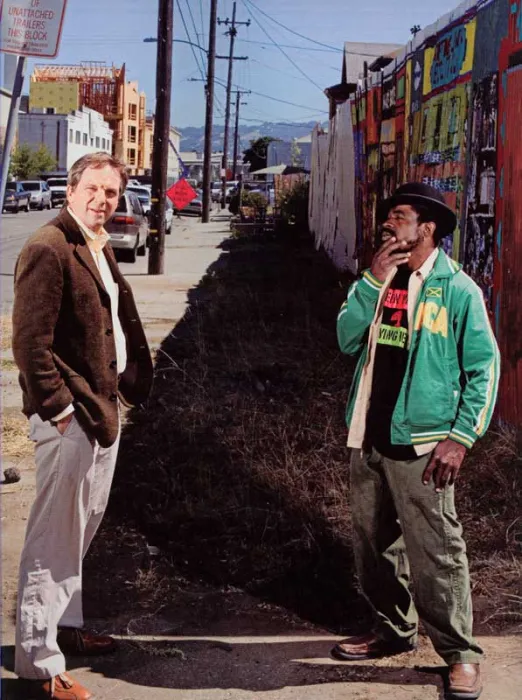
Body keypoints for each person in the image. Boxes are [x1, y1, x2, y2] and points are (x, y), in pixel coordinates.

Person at [334, 183, 499, 700]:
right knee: (372, 545)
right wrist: (371, 282)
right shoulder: (380, 280)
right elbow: (345, 337)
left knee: (437, 550)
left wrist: (461, 438)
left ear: (426, 227)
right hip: (370, 434)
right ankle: (394, 631)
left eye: (399, 217)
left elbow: (483, 368)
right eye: (389, 217)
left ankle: (461, 654)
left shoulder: (457, 289)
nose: (389, 225)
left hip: (425, 443)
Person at [12, 152, 153, 700]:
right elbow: (29, 344)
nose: (101, 200)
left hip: (101, 410)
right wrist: (61, 411)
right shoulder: (49, 247)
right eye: (91, 189)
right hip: (71, 419)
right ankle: (40, 664)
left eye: (111, 193)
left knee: (83, 524)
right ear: (70, 190)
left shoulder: (94, 243)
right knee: (53, 537)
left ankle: (66, 627)